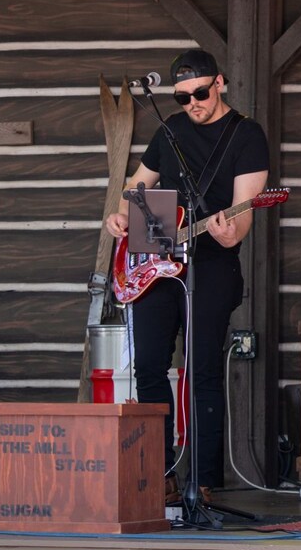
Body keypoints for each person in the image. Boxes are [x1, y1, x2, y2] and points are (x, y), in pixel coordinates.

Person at [104, 49, 270, 501]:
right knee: (149, 366)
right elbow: (137, 187)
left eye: (199, 93)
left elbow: (241, 218)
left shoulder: (246, 134)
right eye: (182, 97)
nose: (192, 104)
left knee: (202, 369)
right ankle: (159, 475)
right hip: (156, 258)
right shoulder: (171, 129)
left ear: (219, 83)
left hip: (211, 264)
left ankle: (203, 479)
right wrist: (120, 216)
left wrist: (230, 229)